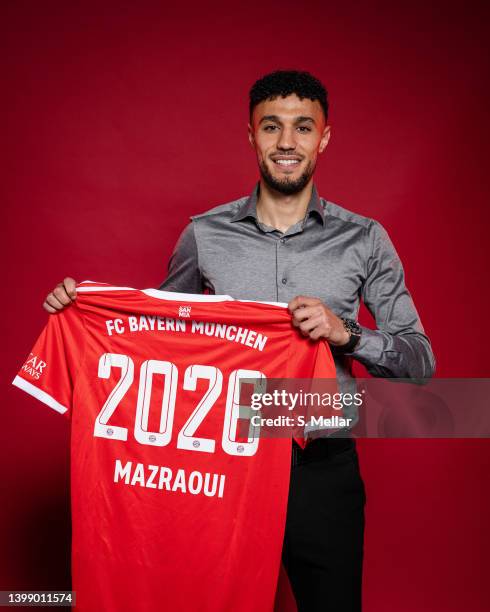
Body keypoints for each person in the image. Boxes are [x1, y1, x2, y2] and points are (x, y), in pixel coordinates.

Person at [42, 70, 436, 611]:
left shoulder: (365, 239)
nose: (287, 143)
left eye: (303, 128)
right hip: (221, 468)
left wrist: (347, 335)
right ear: (252, 136)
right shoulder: (204, 234)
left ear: (324, 137)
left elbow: (420, 362)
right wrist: (84, 310)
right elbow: (157, 339)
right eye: (271, 127)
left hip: (320, 470)